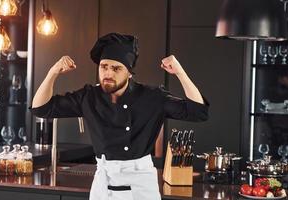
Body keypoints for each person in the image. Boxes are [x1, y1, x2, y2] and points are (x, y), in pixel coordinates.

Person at [30, 33, 209, 200]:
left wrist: (180, 72)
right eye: (104, 67)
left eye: (116, 68)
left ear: (129, 72)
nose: (108, 73)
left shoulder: (152, 97)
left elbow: (198, 112)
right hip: (103, 184)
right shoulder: (88, 96)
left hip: (140, 184)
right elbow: (41, 108)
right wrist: (53, 72)